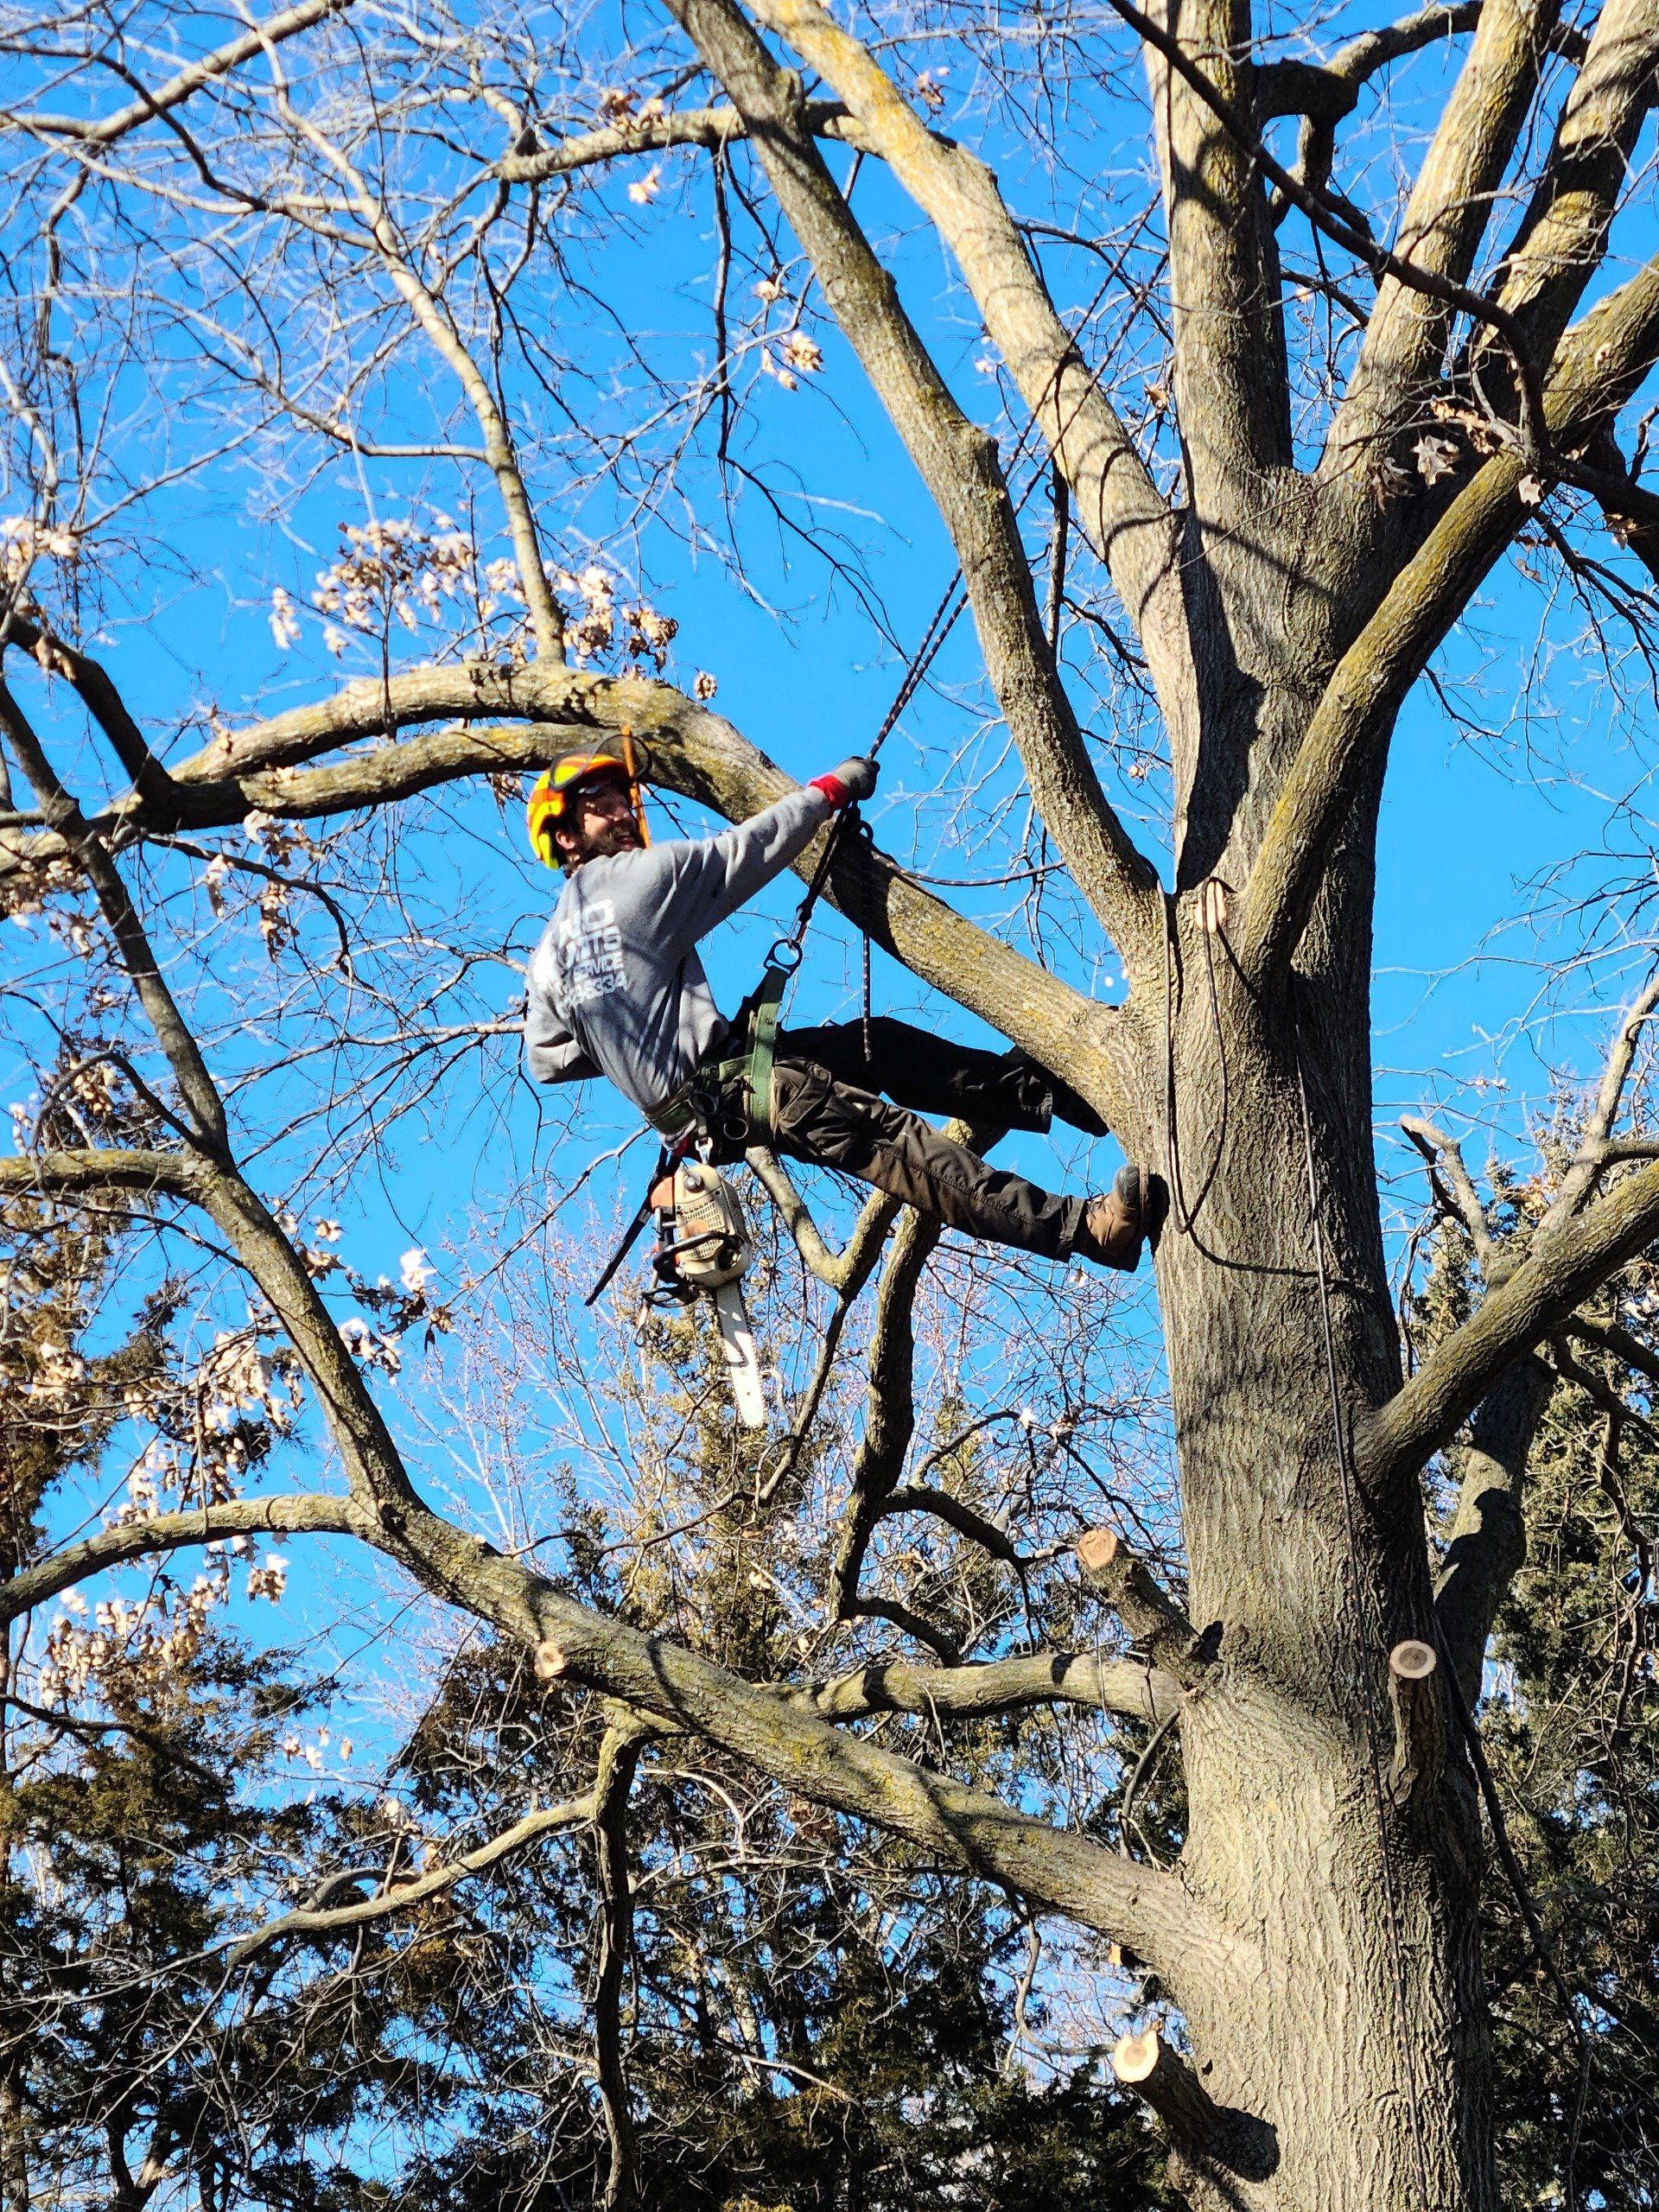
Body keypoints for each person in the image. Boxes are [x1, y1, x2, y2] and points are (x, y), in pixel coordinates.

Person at [522, 748, 1162, 1271]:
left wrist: (627, 1039)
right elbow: (747, 851)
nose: (623, 810)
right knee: (900, 1146)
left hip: (724, 1086)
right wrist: (829, 790)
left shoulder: (550, 956)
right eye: (599, 804)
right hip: (743, 1087)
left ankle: (1049, 1094)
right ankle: (1087, 1231)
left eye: (621, 797)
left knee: (873, 1046)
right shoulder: (636, 880)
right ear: (567, 833)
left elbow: (547, 1061)